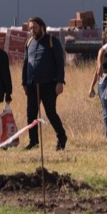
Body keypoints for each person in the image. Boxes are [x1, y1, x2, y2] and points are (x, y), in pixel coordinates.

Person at [21, 16, 67, 151]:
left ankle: (62, 137)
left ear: (42, 27)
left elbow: (60, 64)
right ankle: (33, 142)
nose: (32, 31)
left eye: (34, 28)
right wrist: (24, 82)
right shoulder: (29, 43)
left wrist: (60, 82)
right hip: (31, 85)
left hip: (49, 85)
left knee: (51, 113)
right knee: (31, 114)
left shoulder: (53, 41)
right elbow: (25, 64)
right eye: (30, 28)